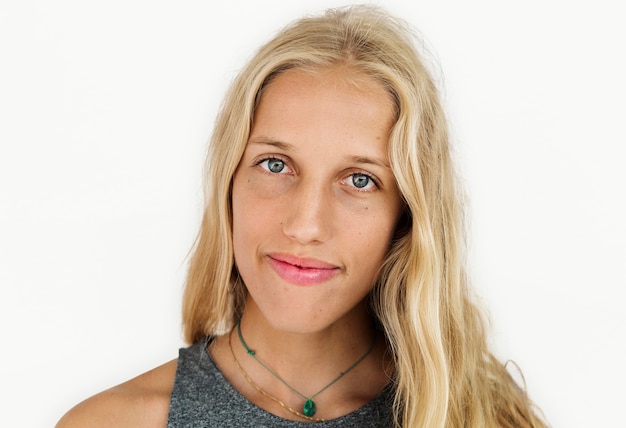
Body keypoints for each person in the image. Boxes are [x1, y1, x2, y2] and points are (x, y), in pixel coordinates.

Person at [57, 5, 547, 427]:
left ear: (407, 215)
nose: (306, 225)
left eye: (359, 180)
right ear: (228, 182)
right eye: (276, 165)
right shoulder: (111, 421)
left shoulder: (483, 416)